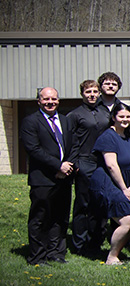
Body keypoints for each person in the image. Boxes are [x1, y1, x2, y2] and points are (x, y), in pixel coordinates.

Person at [21, 87, 76, 265]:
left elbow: (74, 146)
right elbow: (34, 149)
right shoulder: (30, 122)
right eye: (46, 99)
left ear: (58, 100)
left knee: (60, 217)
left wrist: (68, 167)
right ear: (39, 101)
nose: (50, 102)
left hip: (64, 178)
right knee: (40, 218)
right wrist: (58, 166)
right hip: (43, 179)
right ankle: (37, 256)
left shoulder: (65, 121)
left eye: (53, 99)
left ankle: (56, 253)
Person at [89, 103, 130, 265]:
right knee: (127, 220)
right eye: (121, 116)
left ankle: (117, 253)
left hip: (126, 184)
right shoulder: (108, 137)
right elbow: (111, 165)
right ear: (114, 118)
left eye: (128, 116)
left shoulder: (128, 136)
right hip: (108, 184)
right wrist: (124, 189)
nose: (125, 119)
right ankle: (112, 257)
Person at [66, 80, 108, 257]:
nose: (92, 94)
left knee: (100, 204)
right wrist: (75, 163)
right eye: (88, 92)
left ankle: (96, 241)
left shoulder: (104, 112)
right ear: (82, 94)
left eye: (95, 91)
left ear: (99, 93)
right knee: (83, 204)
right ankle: (79, 243)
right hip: (84, 161)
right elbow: (69, 141)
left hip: (103, 162)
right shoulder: (75, 115)